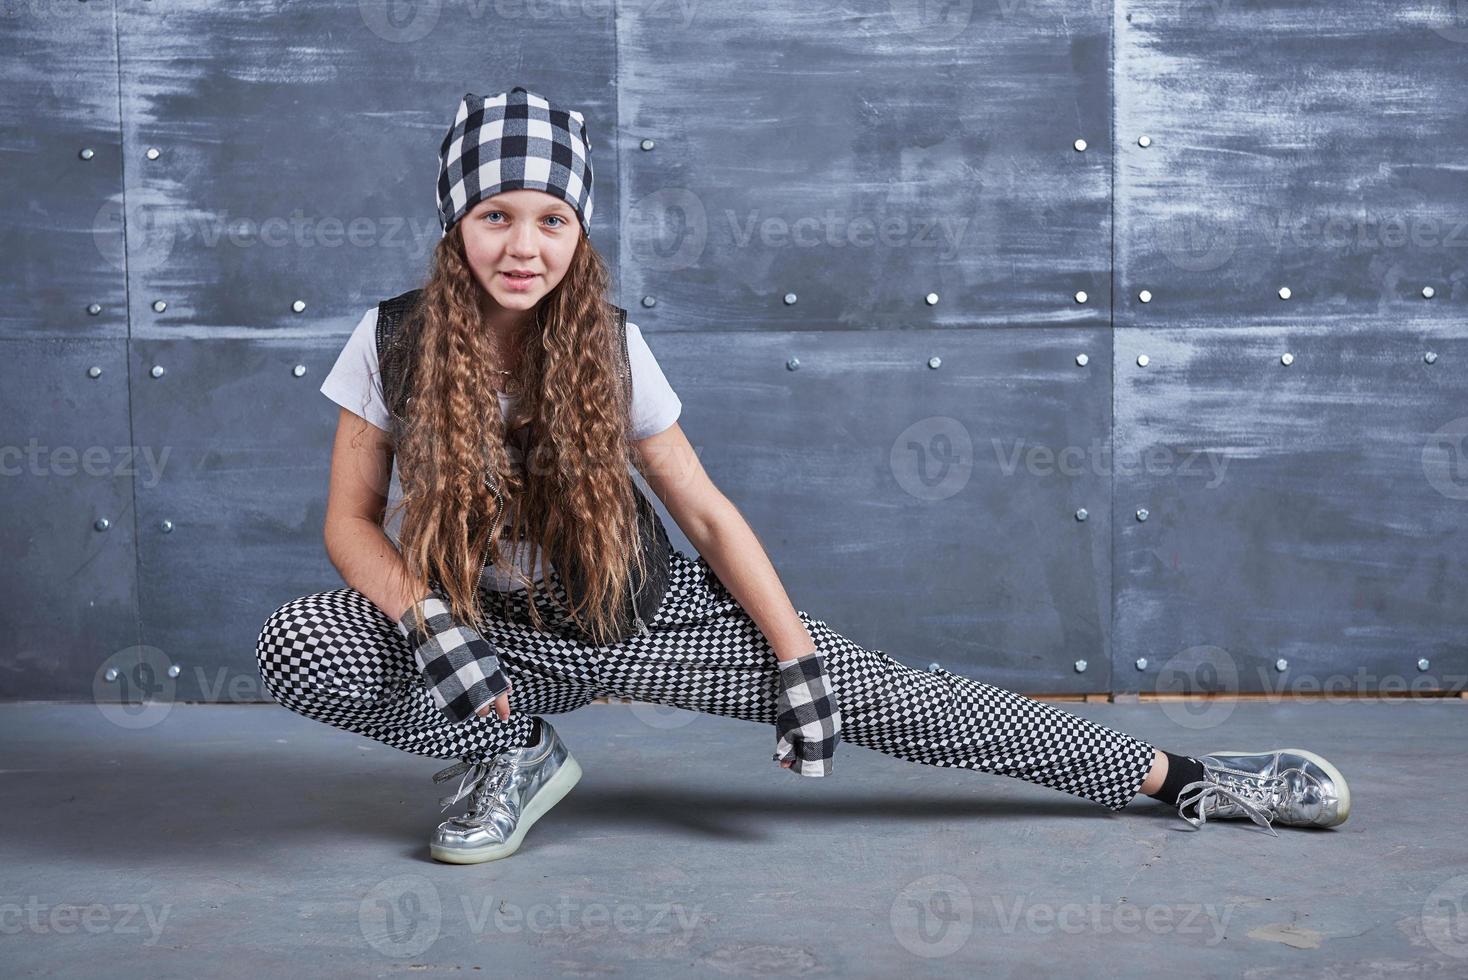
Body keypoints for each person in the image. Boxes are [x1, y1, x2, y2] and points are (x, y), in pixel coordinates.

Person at [255, 86, 1351, 865]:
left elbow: (706, 514)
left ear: (579, 233)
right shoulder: (390, 339)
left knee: (900, 701)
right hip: (493, 639)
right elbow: (351, 521)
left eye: (550, 218)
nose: (522, 243)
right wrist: (428, 616)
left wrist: (795, 658)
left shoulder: (606, 344)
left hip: (644, 614)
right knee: (302, 641)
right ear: (456, 227)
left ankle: (1189, 776)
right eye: (495, 215)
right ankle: (513, 752)